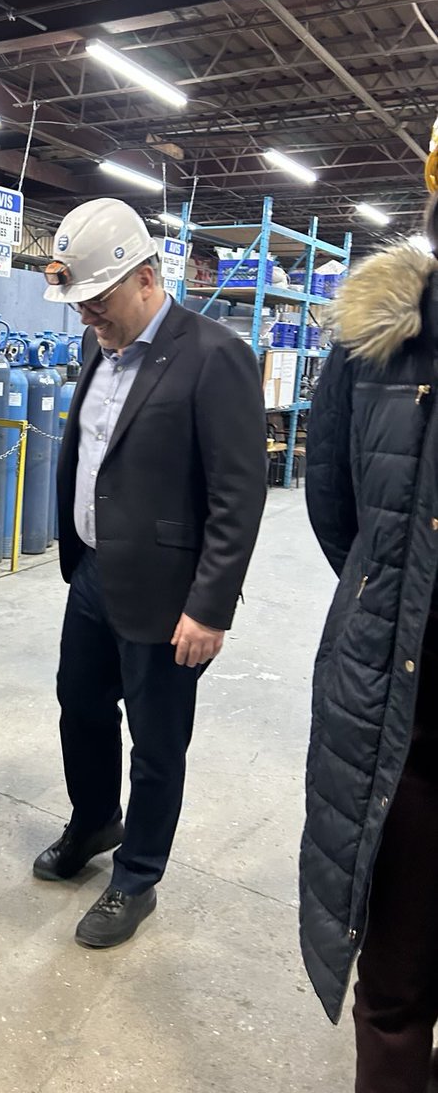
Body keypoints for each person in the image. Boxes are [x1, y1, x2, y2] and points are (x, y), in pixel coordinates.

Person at [33, 197, 267, 948]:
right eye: (80, 308)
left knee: (158, 741)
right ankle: (96, 821)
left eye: (97, 303)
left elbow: (239, 493)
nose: (87, 319)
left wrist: (211, 607)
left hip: (171, 599)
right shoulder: (101, 345)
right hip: (94, 573)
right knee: (80, 707)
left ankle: (137, 876)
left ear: (145, 277)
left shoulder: (214, 355)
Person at [300, 194, 438, 1093]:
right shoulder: (376, 340)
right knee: (395, 977)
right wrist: (395, 600)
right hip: (404, 723)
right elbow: (334, 501)